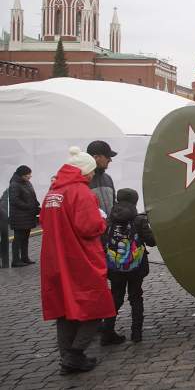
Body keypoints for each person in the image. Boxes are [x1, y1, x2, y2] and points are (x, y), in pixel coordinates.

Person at [41, 147, 116, 374]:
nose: (92, 175)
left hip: (56, 259)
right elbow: (89, 227)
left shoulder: (53, 192)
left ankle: (67, 357)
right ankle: (75, 355)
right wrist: (102, 221)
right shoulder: (81, 192)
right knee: (95, 306)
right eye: (91, 172)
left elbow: (44, 220)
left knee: (64, 309)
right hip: (79, 259)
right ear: (83, 171)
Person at [99, 188, 156, 344]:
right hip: (136, 267)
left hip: (115, 267)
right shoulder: (139, 220)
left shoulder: (109, 219)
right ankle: (136, 334)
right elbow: (152, 241)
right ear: (135, 201)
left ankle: (107, 334)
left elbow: (102, 242)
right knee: (136, 297)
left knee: (115, 298)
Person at [8, 165, 40, 267]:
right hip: (19, 217)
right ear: (22, 175)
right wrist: (28, 206)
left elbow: (32, 195)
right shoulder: (14, 184)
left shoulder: (27, 182)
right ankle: (15, 261)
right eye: (28, 175)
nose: (30, 176)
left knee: (25, 238)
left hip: (27, 215)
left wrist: (36, 204)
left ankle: (25, 258)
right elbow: (14, 200)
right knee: (18, 239)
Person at [86, 140, 117, 219]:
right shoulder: (81, 180)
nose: (110, 160)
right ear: (96, 157)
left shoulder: (108, 178)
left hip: (108, 226)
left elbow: (113, 204)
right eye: (107, 157)